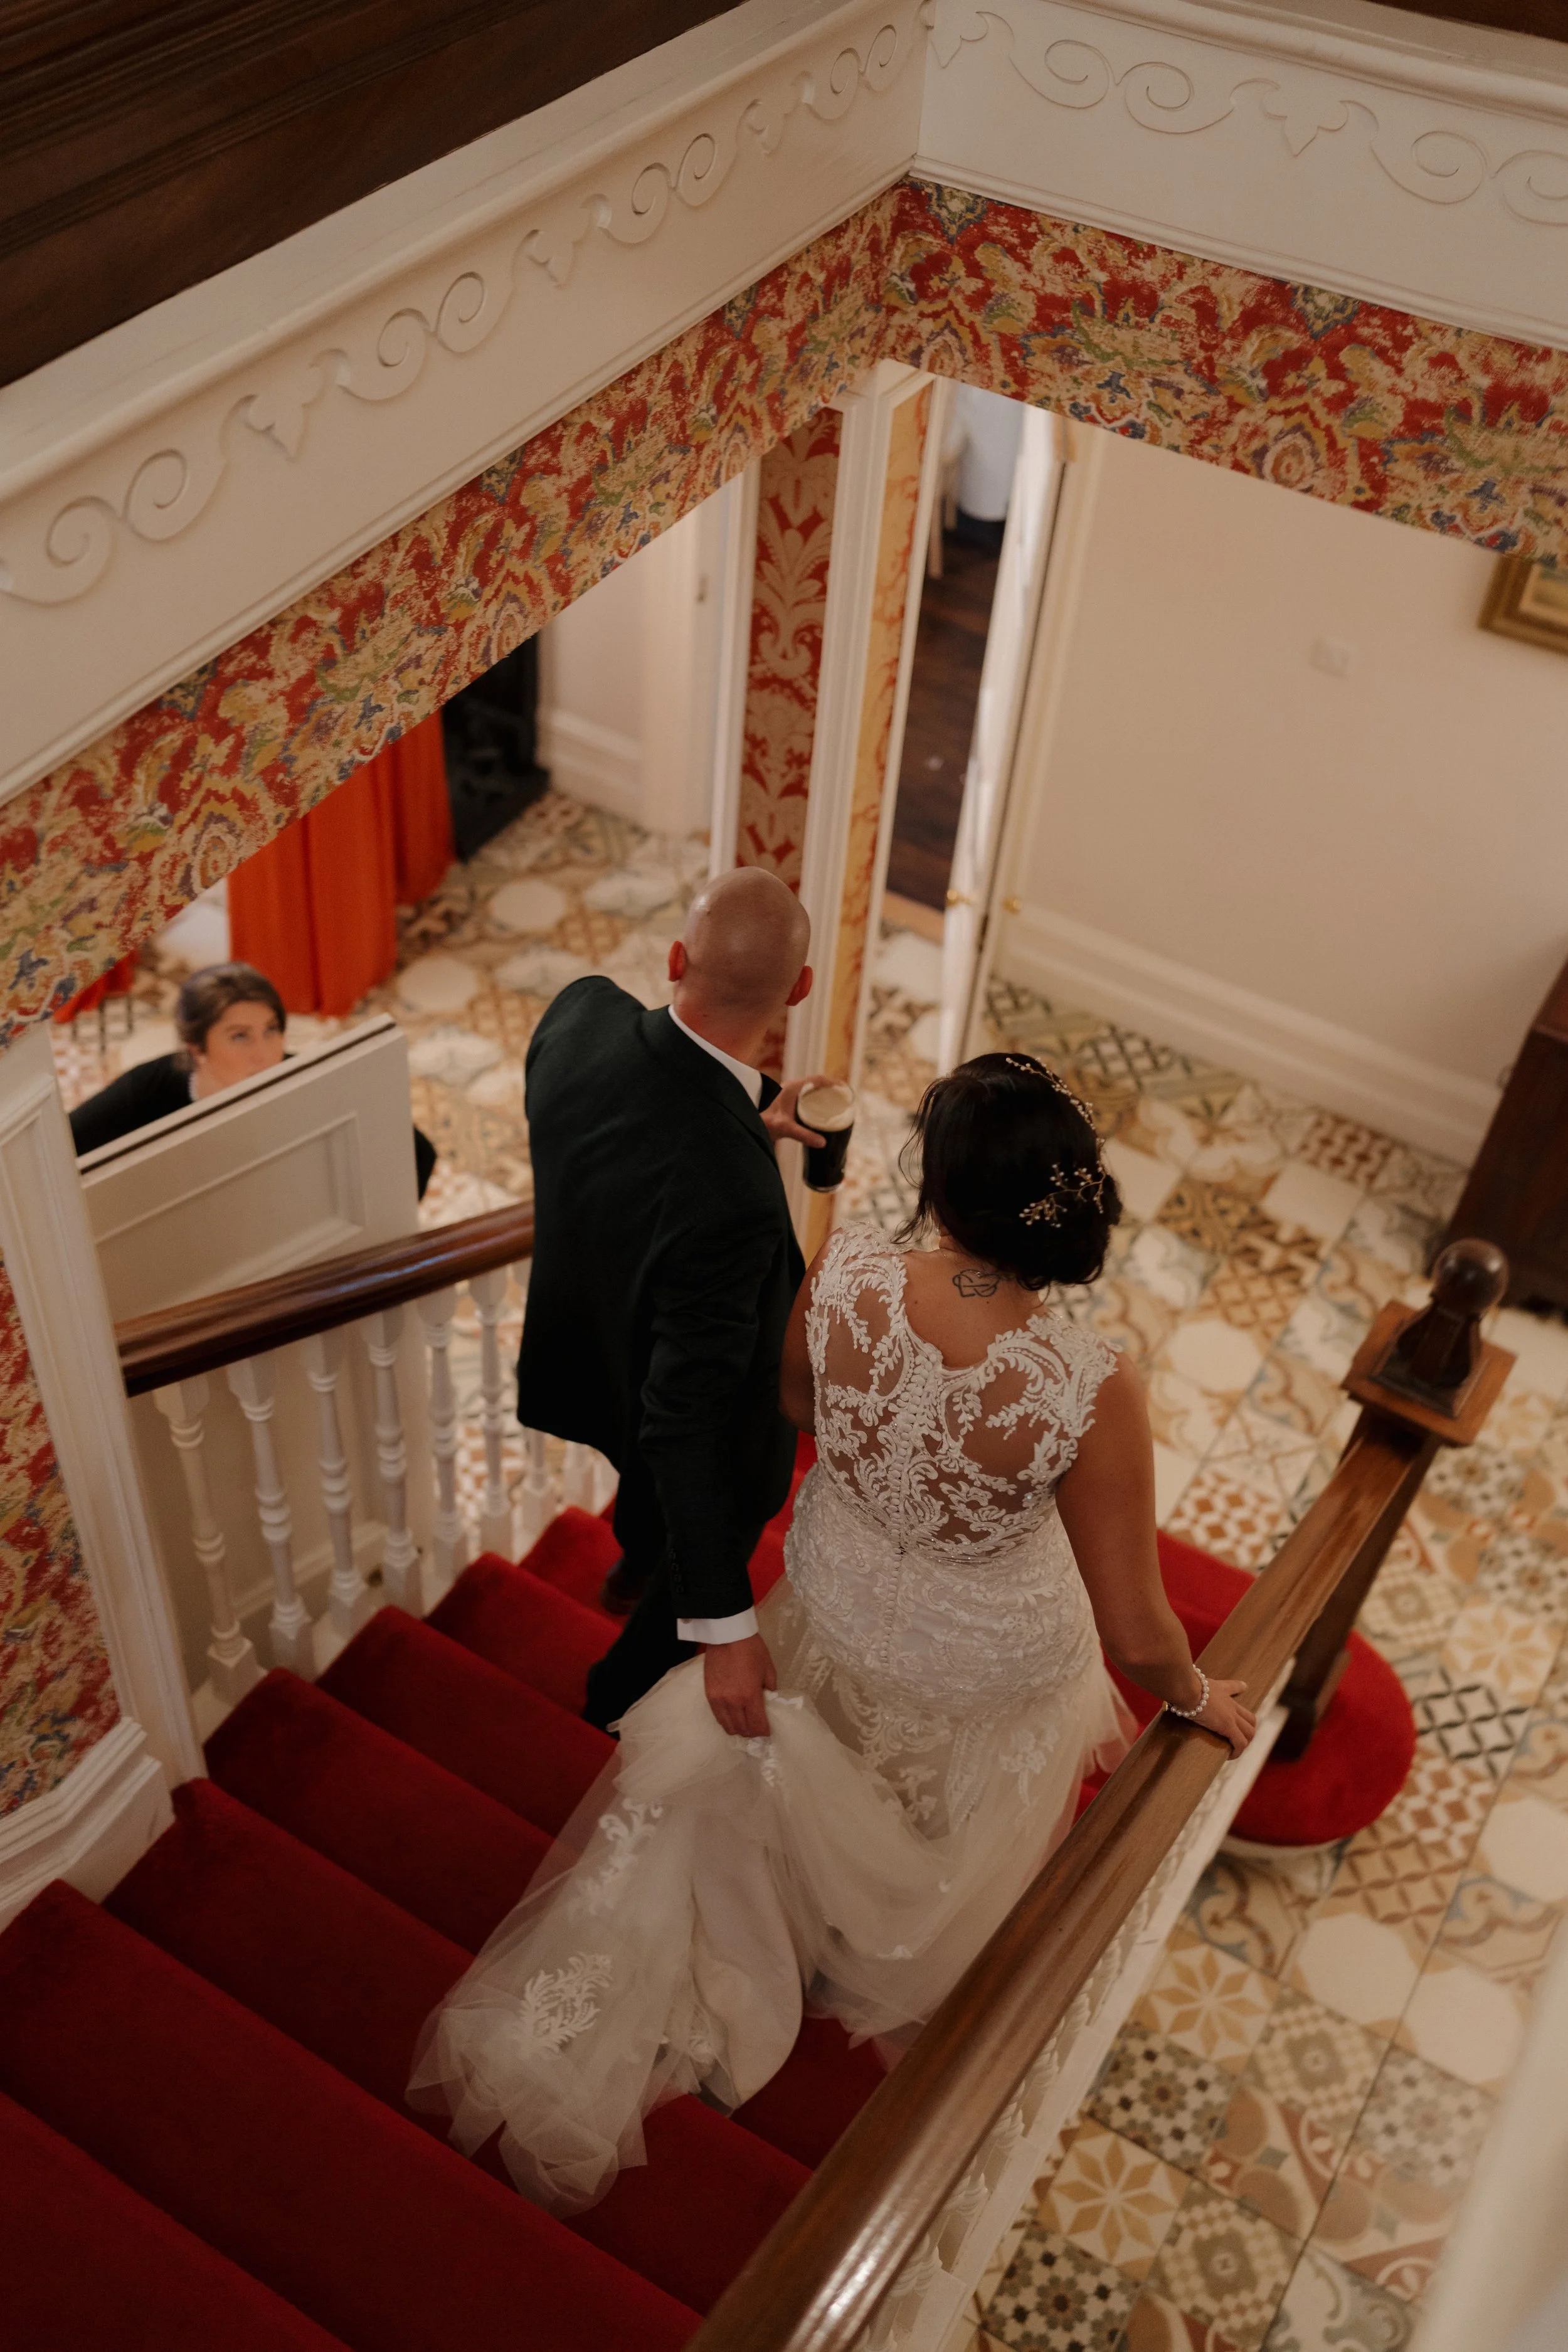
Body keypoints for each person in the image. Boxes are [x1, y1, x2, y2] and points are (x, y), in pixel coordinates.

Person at [410, 1051, 1255, 2214]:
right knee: (931, 1830)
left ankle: (782, 1922)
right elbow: (1137, 1628)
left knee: (827, 1764)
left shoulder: (852, 1265)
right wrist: (1199, 1697)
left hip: (838, 1600)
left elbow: (801, 1408)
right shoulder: (1086, 1386)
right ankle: (881, 1955)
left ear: (942, 1185)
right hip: (981, 1663)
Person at [514, 866, 829, 1736]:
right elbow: (685, 1420)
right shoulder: (733, 1198)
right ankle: (608, 1698)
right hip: (704, 1426)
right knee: (687, 1507)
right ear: (799, 991)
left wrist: (748, 1112)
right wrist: (726, 1628)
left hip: (589, 1353)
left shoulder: (578, 1016)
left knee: (642, 1485)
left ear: (675, 956)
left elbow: (628, 1122)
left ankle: (634, 1559)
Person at [68, 961, 437, 1197]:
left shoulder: (314, 1080)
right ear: (197, 1047)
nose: (265, 1053)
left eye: (272, 1030)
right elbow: (61, 1155)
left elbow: (418, 1151)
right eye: (240, 1036)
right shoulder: (145, 1092)